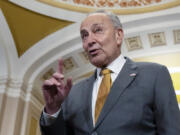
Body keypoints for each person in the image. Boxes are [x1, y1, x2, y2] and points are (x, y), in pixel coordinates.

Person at [40, 10, 180, 135]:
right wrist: (52, 110)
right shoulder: (73, 92)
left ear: (118, 35)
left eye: (98, 30)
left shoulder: (154, 74)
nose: (89, 41)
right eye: (84, 36)